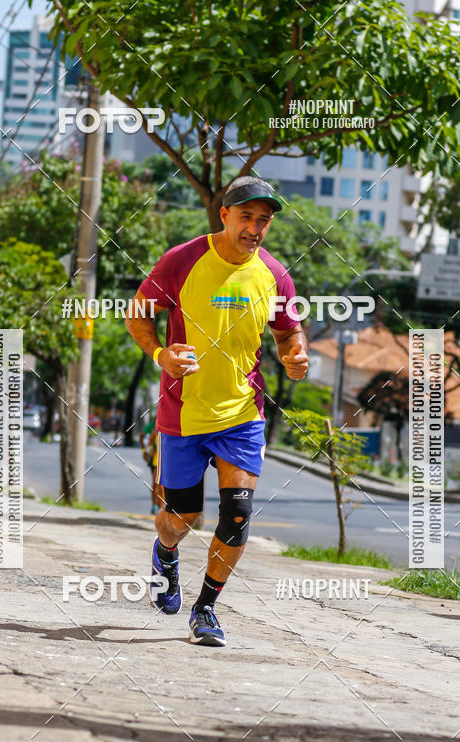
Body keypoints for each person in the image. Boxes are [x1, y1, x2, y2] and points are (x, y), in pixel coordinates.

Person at [126, 175, 308, 647]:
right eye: (246, 217)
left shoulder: (275, 275)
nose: (255, 228)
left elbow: (289, 332)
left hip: (242, 414)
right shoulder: (181, 260)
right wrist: (159, 355)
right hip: (183, 413)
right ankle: (165, 552)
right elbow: (137, 313)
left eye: (263, 221)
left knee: (237, 515)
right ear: (224, 215)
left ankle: (205, 608)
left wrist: (295, 356)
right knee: (182, 518)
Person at [139, 415, 164, 514]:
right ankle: (155, 506)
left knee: (164, 485)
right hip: (156, 460)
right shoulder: (155, 427)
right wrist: (147, 451)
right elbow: (147, 441)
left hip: (167, 460)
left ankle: (161, 507)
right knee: (156, 483)